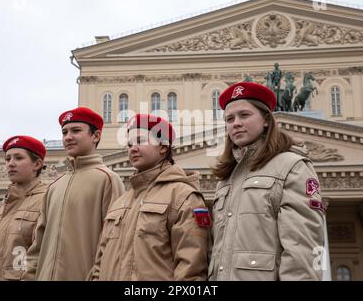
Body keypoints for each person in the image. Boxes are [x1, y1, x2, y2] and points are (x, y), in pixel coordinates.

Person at [209, 82, 324, 281]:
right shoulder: (226, 179)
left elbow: (302, 247)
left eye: (244, 115)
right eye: (229, 118)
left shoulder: (292, 166)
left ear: (266, 120)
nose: (235, 123)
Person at [87, 114, 210, 281]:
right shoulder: (121, 202)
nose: (133, 148)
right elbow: (100, 263)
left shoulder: (183, 196)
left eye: (140, 141)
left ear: (163, 147)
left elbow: (191, 269)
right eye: (129, 144)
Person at [23, 106, 125, 281]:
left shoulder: (108, 179)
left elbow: (113, 241)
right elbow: (38, 244)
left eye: (76, 130)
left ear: (96, 136)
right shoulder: (54, 186)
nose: (68, 137)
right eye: (64, 132)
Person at [0, 136, 48, 281]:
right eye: (7, 159)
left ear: (37, 164)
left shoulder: (48, 201)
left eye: (18, 158)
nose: (11, 164)